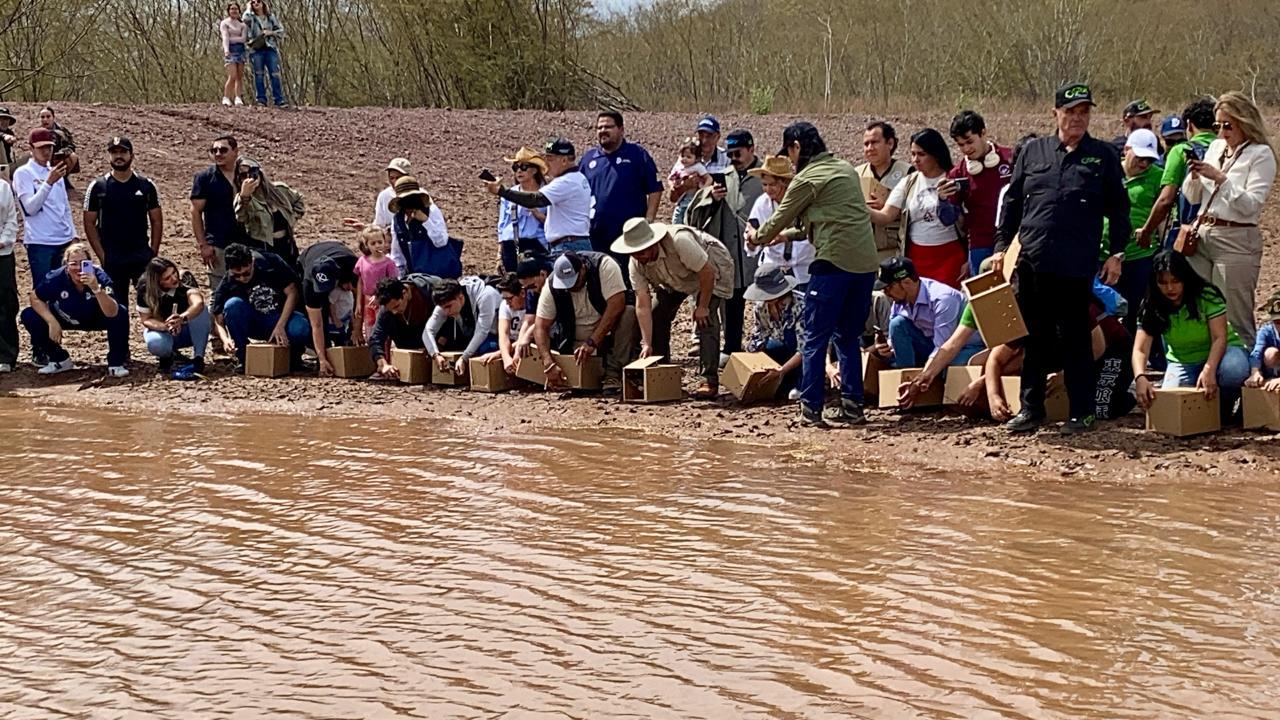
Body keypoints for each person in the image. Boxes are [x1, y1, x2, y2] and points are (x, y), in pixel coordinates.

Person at [994, 82, 1130, 434]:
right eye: (1070, 112)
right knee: (1034, 338)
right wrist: (1000, 248)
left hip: (1075, 267)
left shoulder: (1102, 156)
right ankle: (1031, 409)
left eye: (1084, 112)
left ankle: (1081, 412)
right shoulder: (1034, 151)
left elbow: (1119, 209)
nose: (1077, 119)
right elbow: (1012, 204)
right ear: (1056, 113)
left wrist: (1116, 254)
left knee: (1076, 339)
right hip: (1033, 264)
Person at [746, 121, 880, 428]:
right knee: (847, 336)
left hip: (832, 263)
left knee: (814, 337)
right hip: (864, 265)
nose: (791, 161)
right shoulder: (845, 169)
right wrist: (786, 237)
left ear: (796, 147)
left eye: (790, 154)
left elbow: (776, 220)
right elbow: (822, 221)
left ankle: (811, 408)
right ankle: (852, 406)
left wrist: (758, 236)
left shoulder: (806, 178)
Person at [1181, 90, 1276, 349]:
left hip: (1236, 238)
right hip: (1202, 235)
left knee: (1234, 314)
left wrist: (1220, 179)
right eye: (1217, 125)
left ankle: (1245, 376)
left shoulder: (1261, 155)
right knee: (1200, 305)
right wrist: (1196, 176)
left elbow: (1250, 205)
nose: (1222, 132)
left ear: (1244, 122)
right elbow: (1192, 197)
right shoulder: (1215, 147)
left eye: (1228, 125)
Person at [612, 218, 734, 400]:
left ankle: (708, 379)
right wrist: (647, 342)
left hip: (710, 271)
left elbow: (707, 273)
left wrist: (702, 306)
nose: (640, 257)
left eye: (642, 252)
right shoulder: (636, 263)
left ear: (653, 243)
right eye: (635, 253)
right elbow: (642, 303)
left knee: (705, 320)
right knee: (657, 314)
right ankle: (661, 377)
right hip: (672, 279)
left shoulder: (680, 241)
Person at [1132, 250, 1249, 413]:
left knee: (1234, 369)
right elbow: (1140, 349)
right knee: (1171, 407)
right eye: (1163, 283)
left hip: (1222, 353)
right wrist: (1140, 377)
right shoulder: (1151, 305)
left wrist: (1209, 370)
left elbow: (1219, 337)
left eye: (1175, 281)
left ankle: (1225, 404)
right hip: (1183, 361)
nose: (1170, 288)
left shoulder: (1207, 295)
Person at [684, 131, 760, 361]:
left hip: (760, 253)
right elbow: (694, 215)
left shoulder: (765, 176)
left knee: (766, 302)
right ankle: (732, 348)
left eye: (738, 153)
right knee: (733, 303)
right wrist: (711, 197)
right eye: (730, 154)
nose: (734, 158)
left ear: (751, 149)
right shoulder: (723, 177)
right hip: (731, 253)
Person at [869, 129, 966, 288]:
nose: (915, 160)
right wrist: (859, 208)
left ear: (935, 154)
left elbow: (970, 221)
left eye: (921, 154)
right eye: (912, 154)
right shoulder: (909, 182)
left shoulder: (954, 178)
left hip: (950, 257)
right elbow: (885, 216)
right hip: (916, 257)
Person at [21, 242, 129, 376]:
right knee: (29, 315)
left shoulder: (100, 277)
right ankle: (59, 359)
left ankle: (116, 363)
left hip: (96, 317)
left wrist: (96, 288)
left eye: (84, 263)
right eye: (73, 264)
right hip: (67, 316)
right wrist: (51, 321)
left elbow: (112, 312)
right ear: (66, 264)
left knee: (121, 312)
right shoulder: (56, 277)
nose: (79, 268)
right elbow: (35, 297)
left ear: (90, 263)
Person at [532, 251, 636, 390]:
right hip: (572, 341)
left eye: (574, 281)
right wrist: (547, 362)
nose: (571, 287)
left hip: (607, 335)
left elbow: (617, 303)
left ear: (583, 268)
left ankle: (613, 373)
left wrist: (593, 341)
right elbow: (540, 326)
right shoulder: (551, 285)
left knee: (629, 313)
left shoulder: (604, 266)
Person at [209, 243, 310, 372]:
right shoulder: (228, 281)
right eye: (237, 275)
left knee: (301, 327)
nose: (242, 278)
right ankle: (244, 358)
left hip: (280, 317)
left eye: (246, 273)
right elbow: (218, 318)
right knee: (232, 305)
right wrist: (225, 339)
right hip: (255, 321)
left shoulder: (270, 262)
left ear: (252, 262)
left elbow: (292, 292)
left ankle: (293, 358)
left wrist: (280, 326)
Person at [871, 256, 982, 371]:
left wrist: (925, 375)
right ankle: (905, 376)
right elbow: (896, 334)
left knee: (949, 368)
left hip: (964, 347)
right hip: (933, 344)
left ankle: (925, 382)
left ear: (906, 282)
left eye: (888, 288)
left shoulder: (943, 299)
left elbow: (944, 347)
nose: (885, 293)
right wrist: (888, 348)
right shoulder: (900, 300)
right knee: (897, 324)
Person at [579, 111, 663, 261]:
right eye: (599, 128)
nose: (603, 131)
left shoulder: (637, 154)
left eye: (608, 127)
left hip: (629, 235)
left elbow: (655, 189)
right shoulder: (589, 158)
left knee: (628, 279)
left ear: (621, 129)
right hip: (595, 235)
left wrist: (649, 219)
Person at [486, 138, 592, 255]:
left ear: (564, 160)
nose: (547, 163)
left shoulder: (566, 182)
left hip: (567, 245)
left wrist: (501, 191)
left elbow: (535, 199)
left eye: (550, 159)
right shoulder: (577, 178)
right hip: (569, 243)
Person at [83, 136, 163, 289]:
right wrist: (102, 256)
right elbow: (88, 222)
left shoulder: (146, 185)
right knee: (117, 306)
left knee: (149, 301)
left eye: (123, 152)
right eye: (114, 153)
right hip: (113, 256)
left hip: (141, 254)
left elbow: (156, 220)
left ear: (131, 155)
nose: (118, 156)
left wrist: (153, 253)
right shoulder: (98, 187)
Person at [1137, 98, 1217, 250]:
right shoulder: (1228, 149)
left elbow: (1166, 200)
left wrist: (1147, 231)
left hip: (1188, 231)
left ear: (1189, 125)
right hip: (1221, 231)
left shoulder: (1181, 151)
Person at [1105, 129, 1164, 333]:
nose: (1144, 164)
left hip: (1140, 254)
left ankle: (1131, 356)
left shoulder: (1158, 177)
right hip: (1104, 253)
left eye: (1149, 160)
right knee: (1105, 308)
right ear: (1126, 149)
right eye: (1140, 158)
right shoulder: (1108, 172)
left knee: (1134, 308)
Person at [943, 111, 1013, 273]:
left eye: (969, 141)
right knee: (983, 297)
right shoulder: (957, 173)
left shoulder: (1011, 159)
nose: (966, 149)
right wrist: (942, 200)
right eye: (961, 145)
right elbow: (947, 219)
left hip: (1012, 239)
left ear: (983, 133)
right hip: (980, 245)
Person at [13, 128, 75, 286]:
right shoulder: (23, 173)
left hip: (64, 239)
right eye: (41, 147)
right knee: (44, 289)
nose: (46, 151)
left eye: (49, 147)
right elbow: (30, 209)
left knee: (65, 288)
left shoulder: (55, 172)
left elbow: (65, 206)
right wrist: (48, 183)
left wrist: (73, 233)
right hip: (41, 242)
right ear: (31, 148)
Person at [191, 134, 251, 289]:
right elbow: (195, 212)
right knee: (219, 291)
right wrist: (203, 245)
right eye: (214, 150)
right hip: (218, 244)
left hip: (248, 241)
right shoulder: (204, 178)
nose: (218, 154)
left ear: (235, 151)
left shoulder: (247, 175)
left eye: (223, 150)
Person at [747, 156, 814, 287]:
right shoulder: (762, 203)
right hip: (772, 270)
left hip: (804, 270)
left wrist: (783, 237)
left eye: (772, 184)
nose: (768, 189)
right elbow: (751, 236)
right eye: (764, 185)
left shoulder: (803, 200)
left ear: (785, 183)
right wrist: (752, 240)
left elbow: (810, 231)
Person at [137, 257, 211, 373]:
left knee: (202, 311)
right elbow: (145, 319)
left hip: (187, 328)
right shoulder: (145, 288)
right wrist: (165, 326)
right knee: (155, 343)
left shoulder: (185, 279)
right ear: (158, 282)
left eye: (174, 273)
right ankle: (168, 356)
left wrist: (182, 318)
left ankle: (198, 358)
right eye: (167, 278)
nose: (174, 278)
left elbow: (198, 303)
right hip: (163, 331)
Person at [297, 240, 360, 376]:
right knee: (320, 311)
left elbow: (359, 304)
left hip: (338, 250)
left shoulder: (352, 266)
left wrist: (357, 329)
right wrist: (322, 359)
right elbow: (316, 324)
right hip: (307, 256)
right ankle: (320, 350)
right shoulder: (308, 284)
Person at [743, 265, 805, 398]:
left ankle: (800, 381)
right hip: (781, 350)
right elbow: (758, 335)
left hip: (800, 354)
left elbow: (804, 348)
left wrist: (781, 370)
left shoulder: (801, 306)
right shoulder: (760, 308)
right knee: (770, 346)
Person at [856, 121, 912, 262]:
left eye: (875, 142)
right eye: (866, 144)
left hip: (896, 250)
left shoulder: (907, 172)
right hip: (863, 252)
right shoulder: (856, 174)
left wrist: (889, 208)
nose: (870, 148)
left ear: (890, 143)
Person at [423, 277, 502, 377]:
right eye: (443, 308)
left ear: (460, 297)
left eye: (448, 307)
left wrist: (464, 358)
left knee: (484, 349)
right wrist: (435, 354)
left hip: (495, 334)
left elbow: (482, 331)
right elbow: (428, 330)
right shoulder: (446, 302)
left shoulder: (486, 295)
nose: (446, 312)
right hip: (471, 333)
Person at [368, 273, 442, 379]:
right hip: (408, 349)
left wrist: (438, 346)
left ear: (405, 293)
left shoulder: (429, 294)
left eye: (397, 306)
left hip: (436, 341)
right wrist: (383, 364)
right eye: (390, 309)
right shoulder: (387, 309)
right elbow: (375, 338)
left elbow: (449, 322)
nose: (394, 312)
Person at [233, 157, 303, 266]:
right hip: (263, 249)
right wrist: (244, 196)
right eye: (243, 176)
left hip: (287, 245)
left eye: (252, 173)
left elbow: (298, 200)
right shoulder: (243, 199)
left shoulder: (279, 190)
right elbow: (241, 217)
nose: (249, 178)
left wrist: (292, 218)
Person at [388, 175, 461, 278]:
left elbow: (442, 241)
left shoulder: (432, 211)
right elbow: (397, 254)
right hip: (416, 276)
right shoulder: (397, 220)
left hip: (441, 272)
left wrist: (425, 221)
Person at [497, 147, 548, 271]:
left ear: (535, 170)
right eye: (516, 168)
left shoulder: (547, 193)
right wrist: (499, 255)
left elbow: (555, 224)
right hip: (510, 246)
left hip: (536, 246)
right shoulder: (509, 194)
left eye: (524, 167)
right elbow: (503, 225)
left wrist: (536, 213)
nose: (519, 171)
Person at [476, 274, 527, 376]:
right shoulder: (505, 305)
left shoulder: (531, 307)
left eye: (510, 299)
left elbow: (528, 337)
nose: (507, 303)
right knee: (485, 347)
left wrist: (499, 354)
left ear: (522, 293)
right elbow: (503, 334)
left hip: (524, 342)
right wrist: (506, 357)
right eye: (505, 299)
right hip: (510, 342)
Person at [354, 225, 398, 342]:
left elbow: (392, 283)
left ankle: (385, 356)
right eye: (373, 243)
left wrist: (379, 296)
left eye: (380, 242)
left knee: (384, 330)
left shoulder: (389, 263)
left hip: (383, 300)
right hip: (367, 300)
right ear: (366, 245)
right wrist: (358, 302)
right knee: (369, 329)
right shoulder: (362, 261)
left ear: (385, 242)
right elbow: (360, 282)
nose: (377, 245)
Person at [243, 0, 287, 108]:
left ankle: (279, 99)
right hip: (256, 49)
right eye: (253, 2)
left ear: (263, 3)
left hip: (270, 48)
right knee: (258, 74)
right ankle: (261, 100)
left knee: (274, 73)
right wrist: (248, 8)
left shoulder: (270, 17)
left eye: (258, 1)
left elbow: (281, 31)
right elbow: (245, 19)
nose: (256, 3)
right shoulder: (251, 18)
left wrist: (270, 32)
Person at [667, 137, 708, 225]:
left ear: (696, 158)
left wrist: (703, 190)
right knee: (677, 220)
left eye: (689, 157)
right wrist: (672, 186)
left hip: (693, 200)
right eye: (682, 156)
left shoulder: (698, 167)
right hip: (681, 199)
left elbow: (708, 178)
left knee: (689, 222)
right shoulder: (679, 167)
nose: (684, 159)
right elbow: (670, 178)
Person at [1245, 290, 1280, 391]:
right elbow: (1257, 352)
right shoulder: (1266, 331)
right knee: (1270, 354)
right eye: (1277, 322)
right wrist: (1255, 372)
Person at [0, 172, 17, 372]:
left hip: (3, 253)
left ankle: (6, 355)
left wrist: (3, 241)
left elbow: (11, 221)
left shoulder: (4, 188)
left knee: (5, 303)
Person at [37, 107, 78, 178]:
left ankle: (63, 179)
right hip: (42, 158)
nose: (45, 120)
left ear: (53, 117)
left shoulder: (61, 131)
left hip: (58, 158)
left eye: (48, 116)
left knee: (73, 156)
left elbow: (71, 146)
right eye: (42, 117)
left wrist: (63, 151)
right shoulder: (37, 132)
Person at [220, 3, 248, 106]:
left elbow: (243, 39)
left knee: (239, 76)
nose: (234, 11)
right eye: (232, 9)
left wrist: (232, 39)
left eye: (236, 9)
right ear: (228, 11)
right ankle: (226, 97)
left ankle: (238, 97)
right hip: (230, 50)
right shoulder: (225, 23)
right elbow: (225, 37)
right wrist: (226, 49)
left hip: (241, 50)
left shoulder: (242, 25)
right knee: (232, 75)